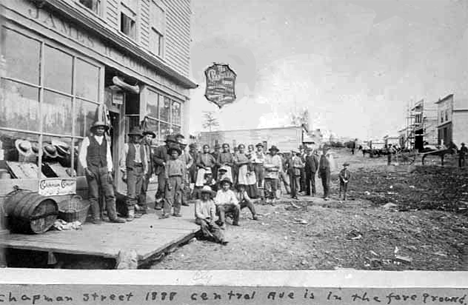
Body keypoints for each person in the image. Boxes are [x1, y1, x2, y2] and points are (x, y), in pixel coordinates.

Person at [78, 121, 125, 224]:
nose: (100, 130)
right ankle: (96, 217)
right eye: (98, 128)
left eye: (102, 128)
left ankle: (113, 216)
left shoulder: (106, 141)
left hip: (104, 169)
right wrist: (86, 169)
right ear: (94, 130)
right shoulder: (87, 140)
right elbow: (82, 155)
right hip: (92, 169)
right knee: (94, 195)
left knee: (110, 194)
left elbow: (108, 156)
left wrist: (109, 171)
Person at [119, 127, 148, 221]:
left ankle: (134, 210)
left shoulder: (143, 147)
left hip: (140, 169)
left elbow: (145, 160)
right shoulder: (127, 145)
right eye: (134, 136)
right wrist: (124, 172)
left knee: (137, 191)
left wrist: (145, 171)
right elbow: (123, 159)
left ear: (140, 137)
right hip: (131, 169)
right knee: (131, 191)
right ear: (131, 137)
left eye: (138, 136)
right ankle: (130, 212)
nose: (136, 138)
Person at [153, 135, 178, 209]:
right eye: (169, 142)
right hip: (162, 170)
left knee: (170, 187)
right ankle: (158, 201)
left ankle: (167, 202)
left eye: (172, 142)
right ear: (166, 142)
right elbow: (155, 157)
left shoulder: (175, 150)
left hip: (172, 171)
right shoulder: (160, 149)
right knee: (161, 187)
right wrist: (162, 162)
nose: (171, 143)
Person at [161, 146, 186, 219]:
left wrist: (182, 182)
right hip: (171, 179)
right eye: (172, 153)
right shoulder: (168, 162)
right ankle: (166, 212)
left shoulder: (181, 163)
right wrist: (167, 181)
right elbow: (166, 172)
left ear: (178, 154)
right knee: (168, 196)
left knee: (178, 196)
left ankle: (176, 211)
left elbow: (184, 172)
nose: (174, 155)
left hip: (179, 178)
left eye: (175, 153)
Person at [139, 129, 156, 215]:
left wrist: (152, 170)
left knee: (145, 187)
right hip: (142, 167)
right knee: (142, 187)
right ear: (144, 136)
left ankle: (143, 205)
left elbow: (151, 159)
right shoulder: (141, 145)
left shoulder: (149, 146)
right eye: (148, 136)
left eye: (151, 137)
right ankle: (141, 205)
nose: (149, 138)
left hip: (149, 167)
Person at [178, 138, 193, 206]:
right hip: (177, 170)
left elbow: (191, 160)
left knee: (185, 186)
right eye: (182, 145)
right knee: (177, 186)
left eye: (184, 145)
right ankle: (177, 201)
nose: (183, 146)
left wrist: (188, 166)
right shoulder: (176, 152)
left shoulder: (186, 153)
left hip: (184, 171)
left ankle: (184, 200)